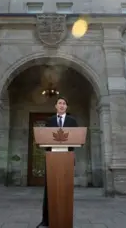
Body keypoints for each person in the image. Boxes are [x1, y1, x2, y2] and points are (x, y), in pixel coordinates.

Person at [37, 96, 78, 228]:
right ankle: (46, 220)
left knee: (66, 190)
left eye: (64, 103)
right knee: (49, 190)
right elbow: (45, 137)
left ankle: (65, 219)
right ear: (55, 106)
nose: (61, 105)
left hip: (67, 159)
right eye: (59, 103)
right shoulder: (50, 121)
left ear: (66, 107)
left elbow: (78, 137)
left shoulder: (72, 121)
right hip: (52, 160)